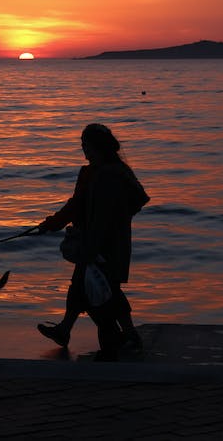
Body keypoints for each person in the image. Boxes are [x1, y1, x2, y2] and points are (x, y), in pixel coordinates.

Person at [34, 123, 149, 360]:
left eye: (86, 146)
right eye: (82, 146)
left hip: (104, 245)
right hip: (94, 241)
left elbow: (113, 212)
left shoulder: (112, 174)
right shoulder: (93, 173)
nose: (84, 151)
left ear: (98, 147)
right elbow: (76, 205)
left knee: (105, 291)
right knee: (84, 285)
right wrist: (51, 223)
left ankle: (124, 338)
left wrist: (94, 242)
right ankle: (67, 330)